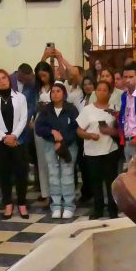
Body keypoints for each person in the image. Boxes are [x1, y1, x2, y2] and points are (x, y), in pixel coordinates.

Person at [0, 69, 30, 219]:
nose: (2, 81)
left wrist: (14, 135)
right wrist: (4, 137)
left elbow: (24, 119)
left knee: (21, 173)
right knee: (4, 173)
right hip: (0, 141)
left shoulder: (20, 97)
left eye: (4, 78)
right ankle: (8, 204)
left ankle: (22, 204)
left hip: (17, 139)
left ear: (9, 80)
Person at [35, 81, 79, 219]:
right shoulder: (46, 110)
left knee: (67, 175)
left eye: (58, 91)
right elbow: (39, 128)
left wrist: (63, 142)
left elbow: (76, 128)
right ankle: (56, 205)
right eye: (52, 91)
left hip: (68, 146)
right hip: (50, 145)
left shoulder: (71, 109)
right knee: (53, 176)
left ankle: (69, 205)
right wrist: (52, 132)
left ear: (64, 93)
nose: (55, 94)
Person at [76, 80, 120, 219]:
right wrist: (89, 135)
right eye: (99, 89)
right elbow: (79, 130)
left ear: (110, 92)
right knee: (95, 181)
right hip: (92, 151)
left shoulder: (113, 109)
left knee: (110, 181)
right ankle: (98, 209)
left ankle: (113, 210)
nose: (101, 92)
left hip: (109, 150)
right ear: (95, 92)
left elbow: (121, 131)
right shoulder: (88, 109)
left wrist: (109, 131)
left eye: (105, 90)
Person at [31, 61, 56, 206]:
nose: (42, 78)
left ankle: (58, 193)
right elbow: (32, 107)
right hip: (40, 124)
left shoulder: (57, 85)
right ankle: (46, 193)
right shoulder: (36, 90)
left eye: (44, 75)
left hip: (54, 122)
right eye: (39, 76)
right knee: (42, 160)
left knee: (55, 160)